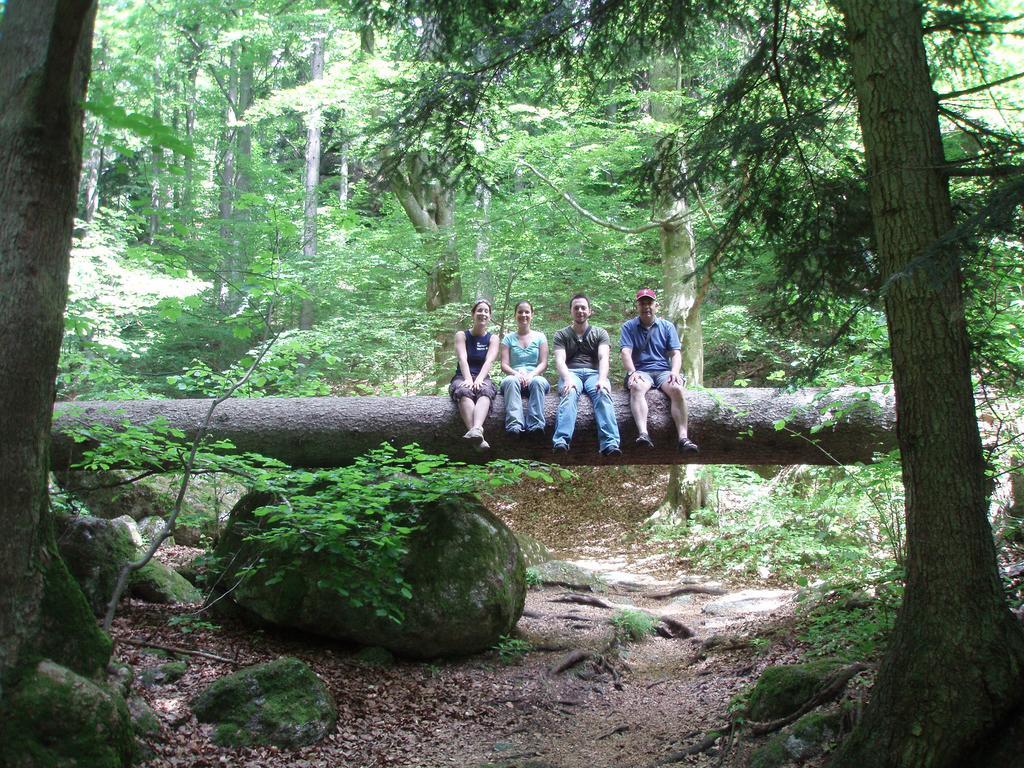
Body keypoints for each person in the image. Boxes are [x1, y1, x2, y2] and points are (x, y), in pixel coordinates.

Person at [619, 288, 699, 453]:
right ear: (637, 306)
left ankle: (683, 438)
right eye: (642, 303)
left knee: (677, 388)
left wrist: (675, 373)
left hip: (663, 370)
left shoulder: (667, 327)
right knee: (637, 387)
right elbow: (625, 352)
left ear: (656, 306)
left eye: (649, 303)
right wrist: (632, 372)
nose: (646, 306)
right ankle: (643, 433)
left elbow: (675, 353)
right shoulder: (629, 327)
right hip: (641, 371)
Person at [551, 294, 621, 456]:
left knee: (602, 393)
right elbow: (560, 360)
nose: (580, 311)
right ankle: (561, 441)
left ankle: (610, 443)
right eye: (576, 308)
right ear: (571, 311)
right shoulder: (561, 335)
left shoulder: (600, 333)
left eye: (583, 308)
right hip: (571, 373)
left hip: (594, 374)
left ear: (590, 311)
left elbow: (604, 357)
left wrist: (602, 379)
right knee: (569, 393)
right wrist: (567, 379)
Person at [450, 299, 500, 450]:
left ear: (490, 316)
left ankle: (476, 429)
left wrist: (478, 379)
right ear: (473, 314)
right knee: (464, 391)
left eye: (486, 311)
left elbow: (489, 360)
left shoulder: (493, 338)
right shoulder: (462, 335)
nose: (482, 314)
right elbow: (462, 358)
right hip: (462, 376)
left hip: (482, 376)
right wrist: (467, 379)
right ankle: (478, 440)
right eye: (479, 310)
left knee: (485, 391)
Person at [499, 300, 551, 437]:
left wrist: (532, 374)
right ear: (515, 315)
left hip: (535, 377)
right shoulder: (508, 339)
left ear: (532, 314)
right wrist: (516, 374)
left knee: (538, 382)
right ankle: (514, 425)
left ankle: (536, 425)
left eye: (527, 312)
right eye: (520, 312)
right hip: (514, 378)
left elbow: (544, 363)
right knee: (510, 381)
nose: (524, 315)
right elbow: (504, 365)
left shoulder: (540, 337)